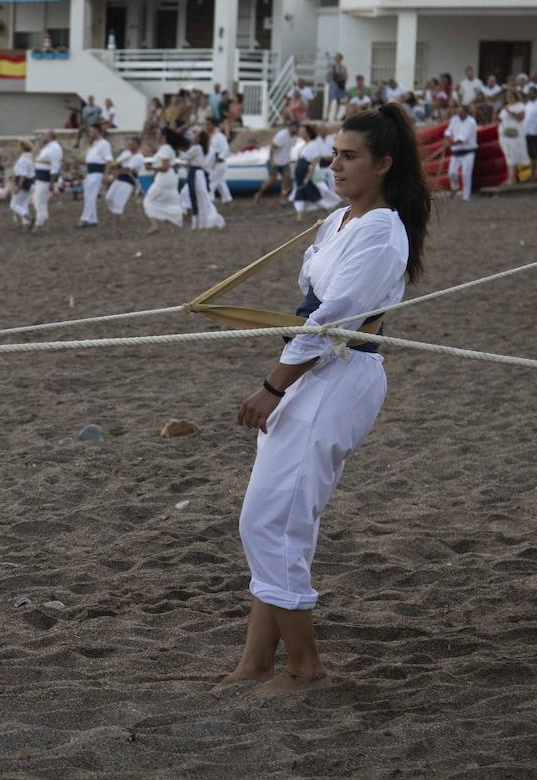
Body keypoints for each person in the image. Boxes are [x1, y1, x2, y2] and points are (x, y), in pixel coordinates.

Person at [220, 102, 432, 695]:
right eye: (334, 154)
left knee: (270, 520)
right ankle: (257, 659)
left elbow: (332, 320)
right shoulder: (337, 221)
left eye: (349, 156)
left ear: (384, 164)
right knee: (281, 517)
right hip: (314, 371)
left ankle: (305, 667)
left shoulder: (382, 232)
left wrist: (270, 388)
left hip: (339, 376)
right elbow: (312, 308)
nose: (335, 165)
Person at [181, 129, 225, 231]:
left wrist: (179, 150)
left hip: (195, 173)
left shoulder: (196, 147)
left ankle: (198, 220)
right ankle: (200, 220)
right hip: (198, 173)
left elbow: (185, 157)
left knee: (195, 195)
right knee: (200, 196)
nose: (194, 137)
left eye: (196, 135)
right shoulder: (200, 148)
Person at [143, 129, 184, 233]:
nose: (156, 136)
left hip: (164, 177)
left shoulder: (165, 148)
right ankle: (170, 228)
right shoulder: (167, 148)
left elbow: (165, 167)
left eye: (158, 134)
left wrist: (151, 168)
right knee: (166, 202)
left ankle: (154, 225)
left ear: (163, 136)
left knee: (148, 201)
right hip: (171, 177)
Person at [290, 124, 329, 221]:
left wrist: (309, 175)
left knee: (311, 192)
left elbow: (316, 160)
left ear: (308, 133)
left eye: (303, 131)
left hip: (306, 171)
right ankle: (300, 216)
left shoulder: (313, 144)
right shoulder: (304, 144)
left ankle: (327, 210)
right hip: (300, 171)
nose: (300, 133)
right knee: (300, 192)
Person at [104, 137, 143, 225]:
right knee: (109, 197)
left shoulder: (139, 157)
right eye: (130, 143)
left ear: (138, 145)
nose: (130, 145)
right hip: (120, 177)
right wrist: (115, 167)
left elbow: (128, 169)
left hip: (129, 179)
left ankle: (116, 219)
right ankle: (117, 215)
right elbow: (116, 163)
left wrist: (116, 168)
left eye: (133, 144)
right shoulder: (126, 153)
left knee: (119, 200)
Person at [80, 124, 112, 228]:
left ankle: (85, 218)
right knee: (88, 195)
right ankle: (93, 219)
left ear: (97, 131)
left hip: (97, 172)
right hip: (90, 172)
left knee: (91, 196)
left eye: (91, 131)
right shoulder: (94, 144)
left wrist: (105, 174)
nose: (90, 133)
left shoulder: (104, 144)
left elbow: (108, 160)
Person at [444, 103, 478, 201]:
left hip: (468, 151)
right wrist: (447, 138)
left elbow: (464, 138)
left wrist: (450, 143)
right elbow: (448, 131)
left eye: (461, 112)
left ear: (466, 112)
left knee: (465, 174)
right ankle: (455, 188)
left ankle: (466, 196)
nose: (459, 114)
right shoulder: (454, 119)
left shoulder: (471, 122)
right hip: (456, 152)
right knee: (452, 173)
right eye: (458, 112)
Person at [32, 130, 62, 231]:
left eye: (44, 135)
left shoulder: (55, 148)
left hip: (45, 179)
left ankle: (39, 224)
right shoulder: (47, 147)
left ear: (50, 136)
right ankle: (44, 223)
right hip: (40, 178)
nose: (43, 137)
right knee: (40, 201)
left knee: (40, 201)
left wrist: (52, 182)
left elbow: (55, 166)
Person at [260, 121, 297, 203]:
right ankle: (259, 194)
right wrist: (272, 161)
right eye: (295, 127)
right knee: (272, 180)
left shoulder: (294, 136)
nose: (296, 128)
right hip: (275, 161)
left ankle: (282, 197)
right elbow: (272, 148)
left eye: (297, 127)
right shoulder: (282, 135)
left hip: (285, 162)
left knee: (287, 180)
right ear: (290, 127)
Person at [497, 91, 528, 185]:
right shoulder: (505, 107)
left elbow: (520, 118)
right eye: (508, 96)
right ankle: (511, 177)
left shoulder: (520, 106)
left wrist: (509, 112)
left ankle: (512, 178)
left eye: (511, 96)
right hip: (505, 135)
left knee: (513, 155)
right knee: (508, 155)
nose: (509, 98)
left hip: (515, 134)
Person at [10, 139, 36, 228]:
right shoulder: (29, 157)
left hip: (24, 184)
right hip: (29, 184)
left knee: (14, 205)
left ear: (22, 147)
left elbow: (23, 175)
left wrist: (18, 187)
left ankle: (27, 217)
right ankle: (26, 223)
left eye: (18, 146)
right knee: (23, 203)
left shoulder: (24, 159)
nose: (17, 148)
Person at [206, 117, 232, 203]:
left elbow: (226, 150)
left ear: (213, 125)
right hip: (214, 164)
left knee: (210, 182)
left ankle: (209, 199)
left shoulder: (220, 137)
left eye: (208, 124)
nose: (206, 126)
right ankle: (227, 199)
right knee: (220, 182)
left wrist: (218, 159)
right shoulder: (211, 136)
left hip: (218, 164)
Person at [325, 55, 349, 123]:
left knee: (338, 101)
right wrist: (329, 80)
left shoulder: (343, 67)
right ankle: (327, 116)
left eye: (339, 58)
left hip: (339, 85)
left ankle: (335, 116)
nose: (338, 60)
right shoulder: (332, 67)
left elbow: (346, 76)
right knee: (330, 100)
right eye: (337, 58)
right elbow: (328, 75)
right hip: (333, 84)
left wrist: (343, 83)